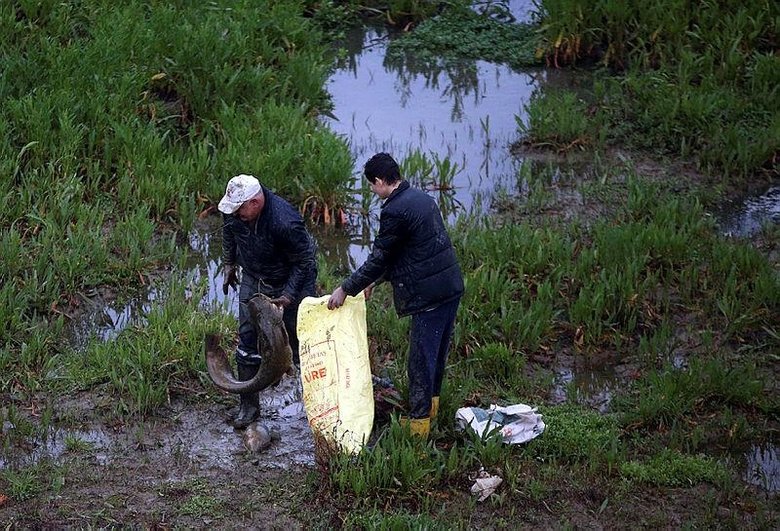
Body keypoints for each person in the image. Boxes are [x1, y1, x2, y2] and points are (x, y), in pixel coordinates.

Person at [327, 153, 464, 439]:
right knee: (437, 355)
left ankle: (418, 428)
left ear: (379, 181)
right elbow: (409, 252)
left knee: (420, 361)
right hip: (449, 286)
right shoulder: (421, 198)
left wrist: (346, 288)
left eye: (371, 185)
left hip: (429, 297)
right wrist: (375, 281)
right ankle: (432, 409)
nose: (372, 190)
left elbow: (380, 258)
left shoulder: (394, 210)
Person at [219, 174, 317, 429]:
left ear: (255, 202)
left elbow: (304, 262)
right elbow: (229, 231)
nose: (234, 214)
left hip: (291, 280)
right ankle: (249, 408)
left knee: (301, 342)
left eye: (239, 210)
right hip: (254, 275)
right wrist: (229, 263)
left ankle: (317, 402)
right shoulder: (235, 211)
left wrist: (287, 297)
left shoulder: (285, 221)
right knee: (246, 339)